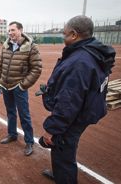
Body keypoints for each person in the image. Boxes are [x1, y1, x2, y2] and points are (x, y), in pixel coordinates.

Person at [39, 15, 115, 183]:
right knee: (66, 146)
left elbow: (68, 102)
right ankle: (60, 173)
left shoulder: (79, 62)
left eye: (64, 34)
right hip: (87, 108)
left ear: (74, 34)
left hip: (75, 115)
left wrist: (52, 129)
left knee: (62, 149)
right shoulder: (93, 52)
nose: (63, 37)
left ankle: (64, 177)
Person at [0, 21, 42, 156]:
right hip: (5, 85)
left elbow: (36, 68)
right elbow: (0, 66)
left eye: (13, 30)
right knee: (10, 112)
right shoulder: (6, 45)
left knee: (24, 114)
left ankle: (29, 142)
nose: (10, 33)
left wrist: (23, 85)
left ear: (21, 30)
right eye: (9, 31)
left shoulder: (31, 47)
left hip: (18, 86)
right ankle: (12, 134)